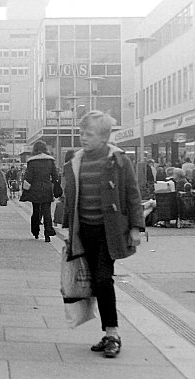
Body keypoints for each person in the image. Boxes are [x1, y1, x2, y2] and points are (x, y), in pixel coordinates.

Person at [62, 111, 144, 358]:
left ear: (104, 137)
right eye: (81, 133)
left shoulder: (118, 161)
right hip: (83, 230)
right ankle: (107, 331)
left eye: (89, 134)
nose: (83, 138)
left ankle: (112, 334)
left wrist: (136, 227)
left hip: (108, 232)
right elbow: (72, 199)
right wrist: (69, 230)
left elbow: (132, 194)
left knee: (102, 279)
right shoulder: (76, 161)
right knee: (91, 282)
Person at [20, 140, 59, 242]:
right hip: (47, 188)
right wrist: (56, 187)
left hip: (35, 189)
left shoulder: (32, 161)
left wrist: (25, 189)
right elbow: (55, 176)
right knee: (47, 211)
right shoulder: (50, 161)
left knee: (36, 210)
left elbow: (28, 177)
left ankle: (35, 231)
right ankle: (47, 233)